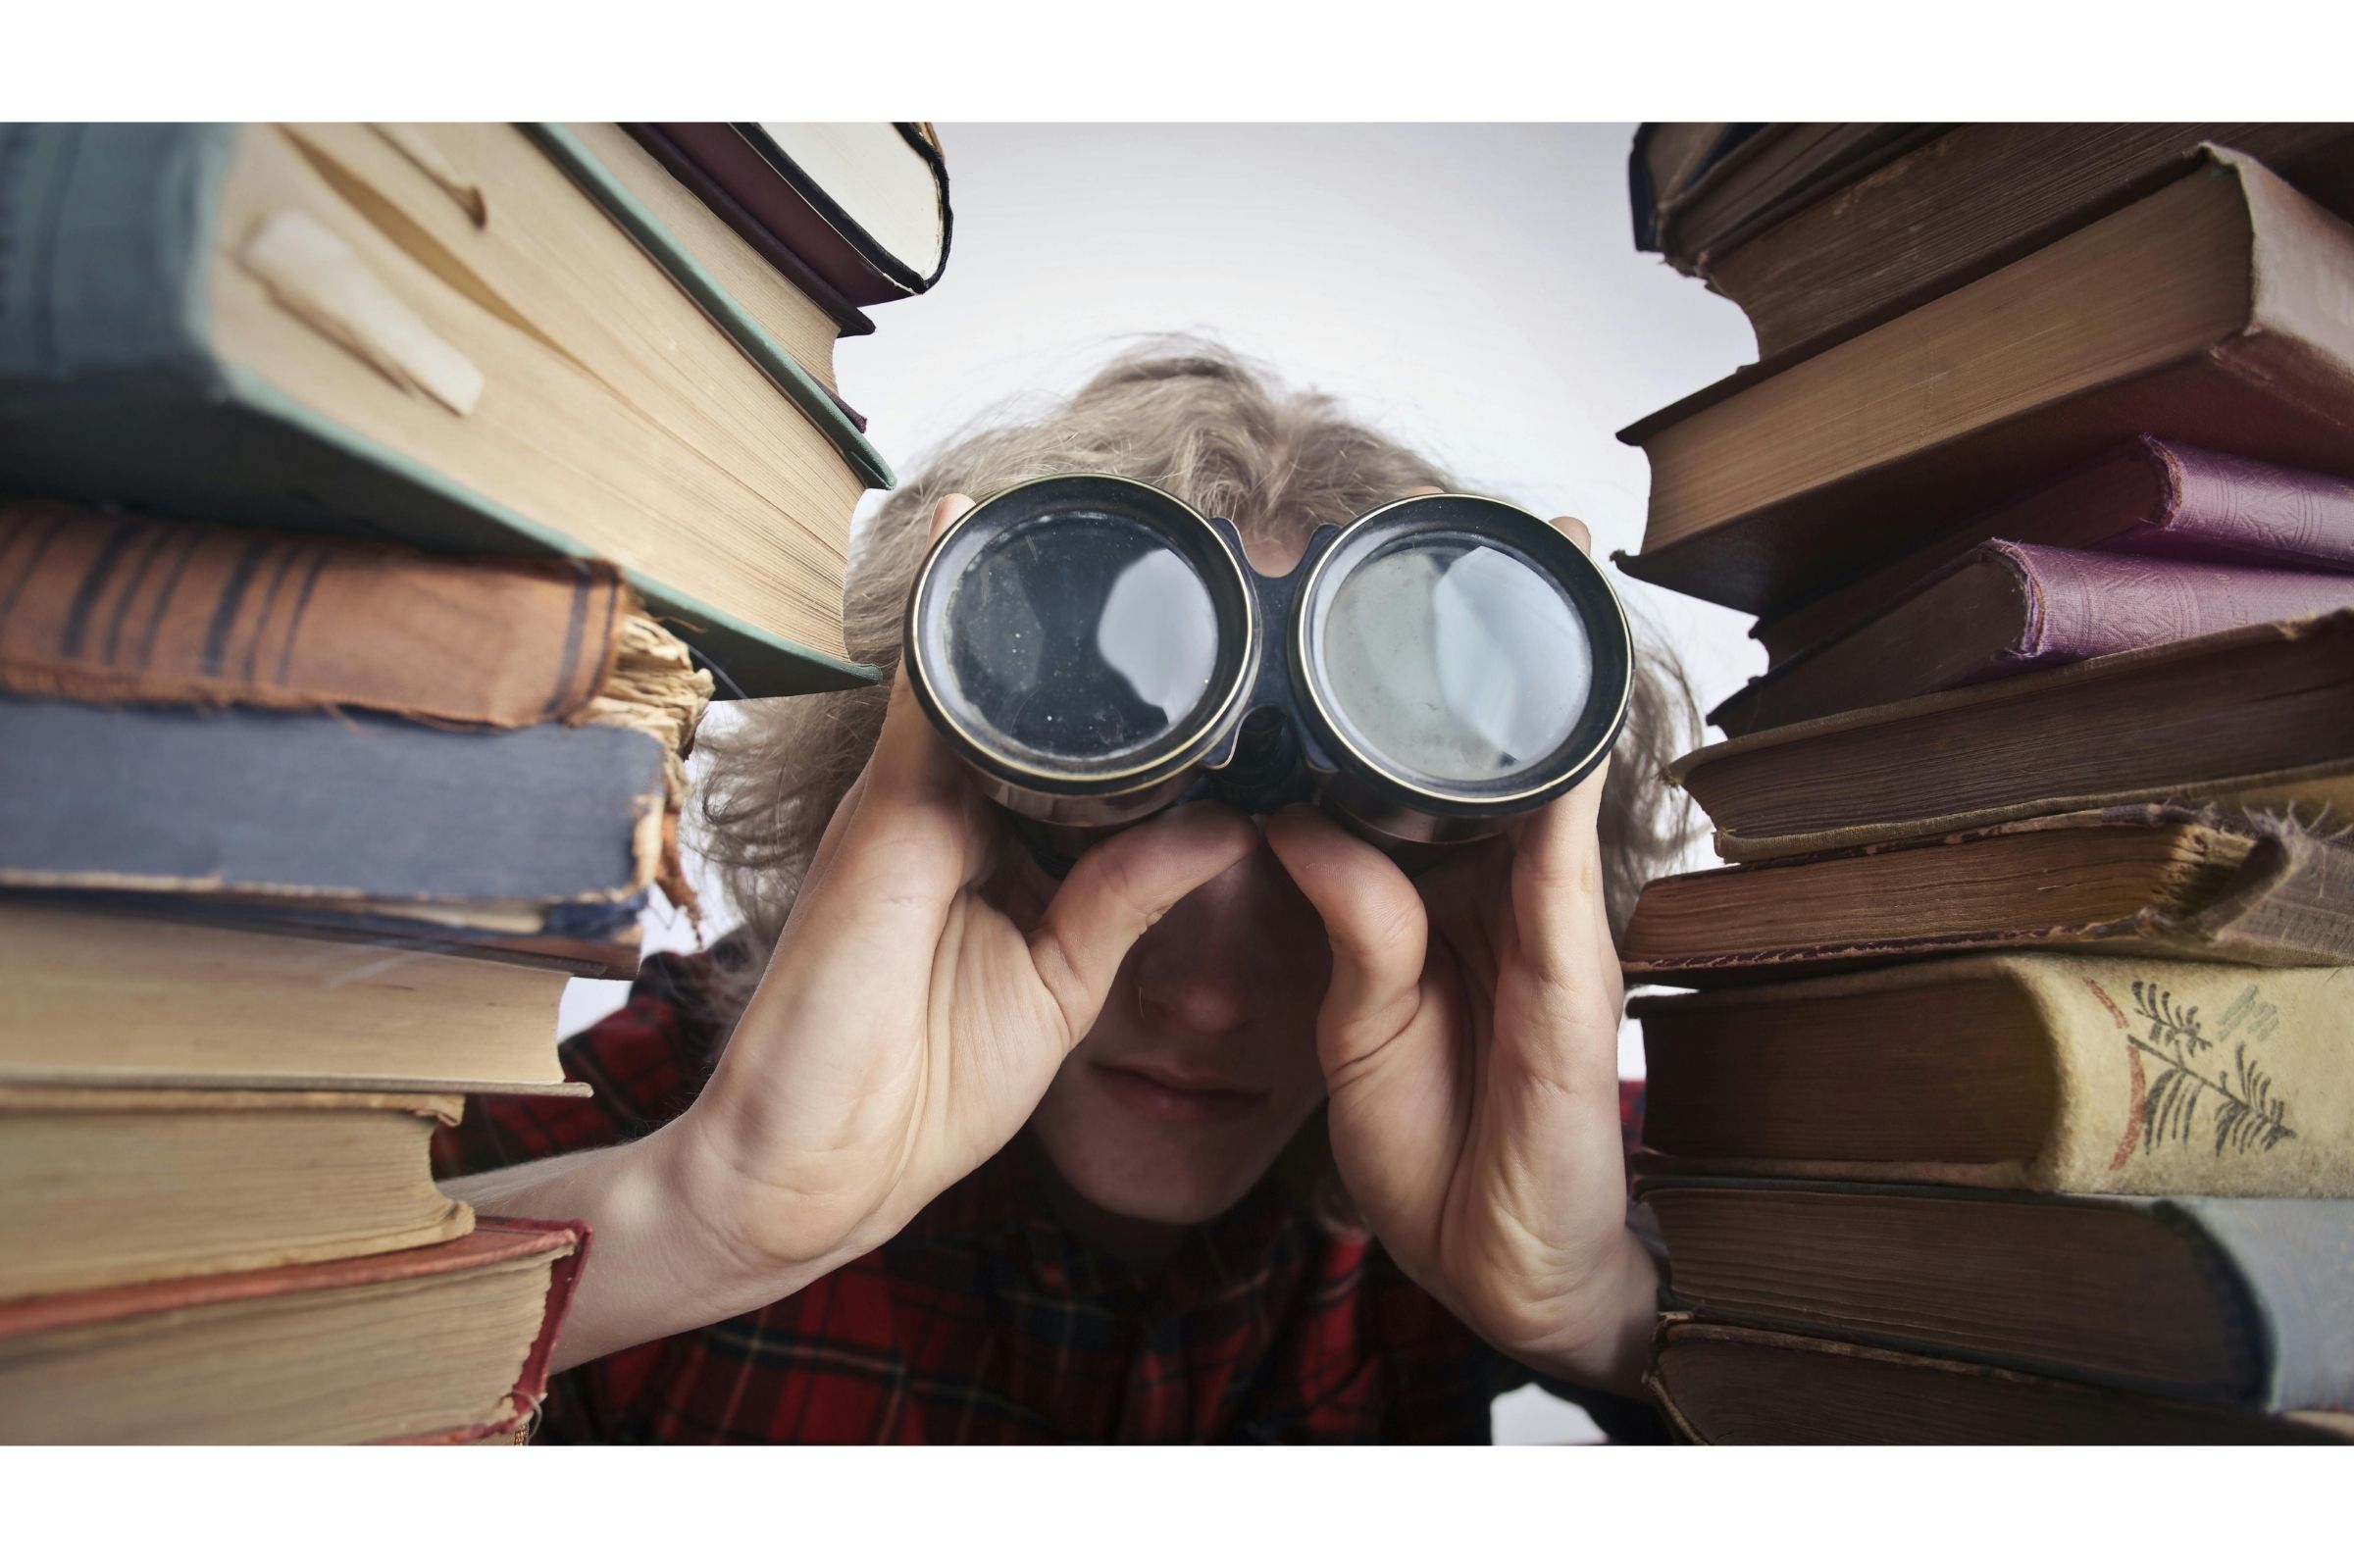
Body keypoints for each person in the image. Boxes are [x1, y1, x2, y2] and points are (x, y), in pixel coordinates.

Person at [438, 343, 1696, 1442]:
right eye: (1102, 820)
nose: (1204, 996)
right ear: (935, 809)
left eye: (1322, 892)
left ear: (1489, 888)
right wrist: (686, 1220)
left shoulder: (1529, 1137)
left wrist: (1596, 1306)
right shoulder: (647, 1114)